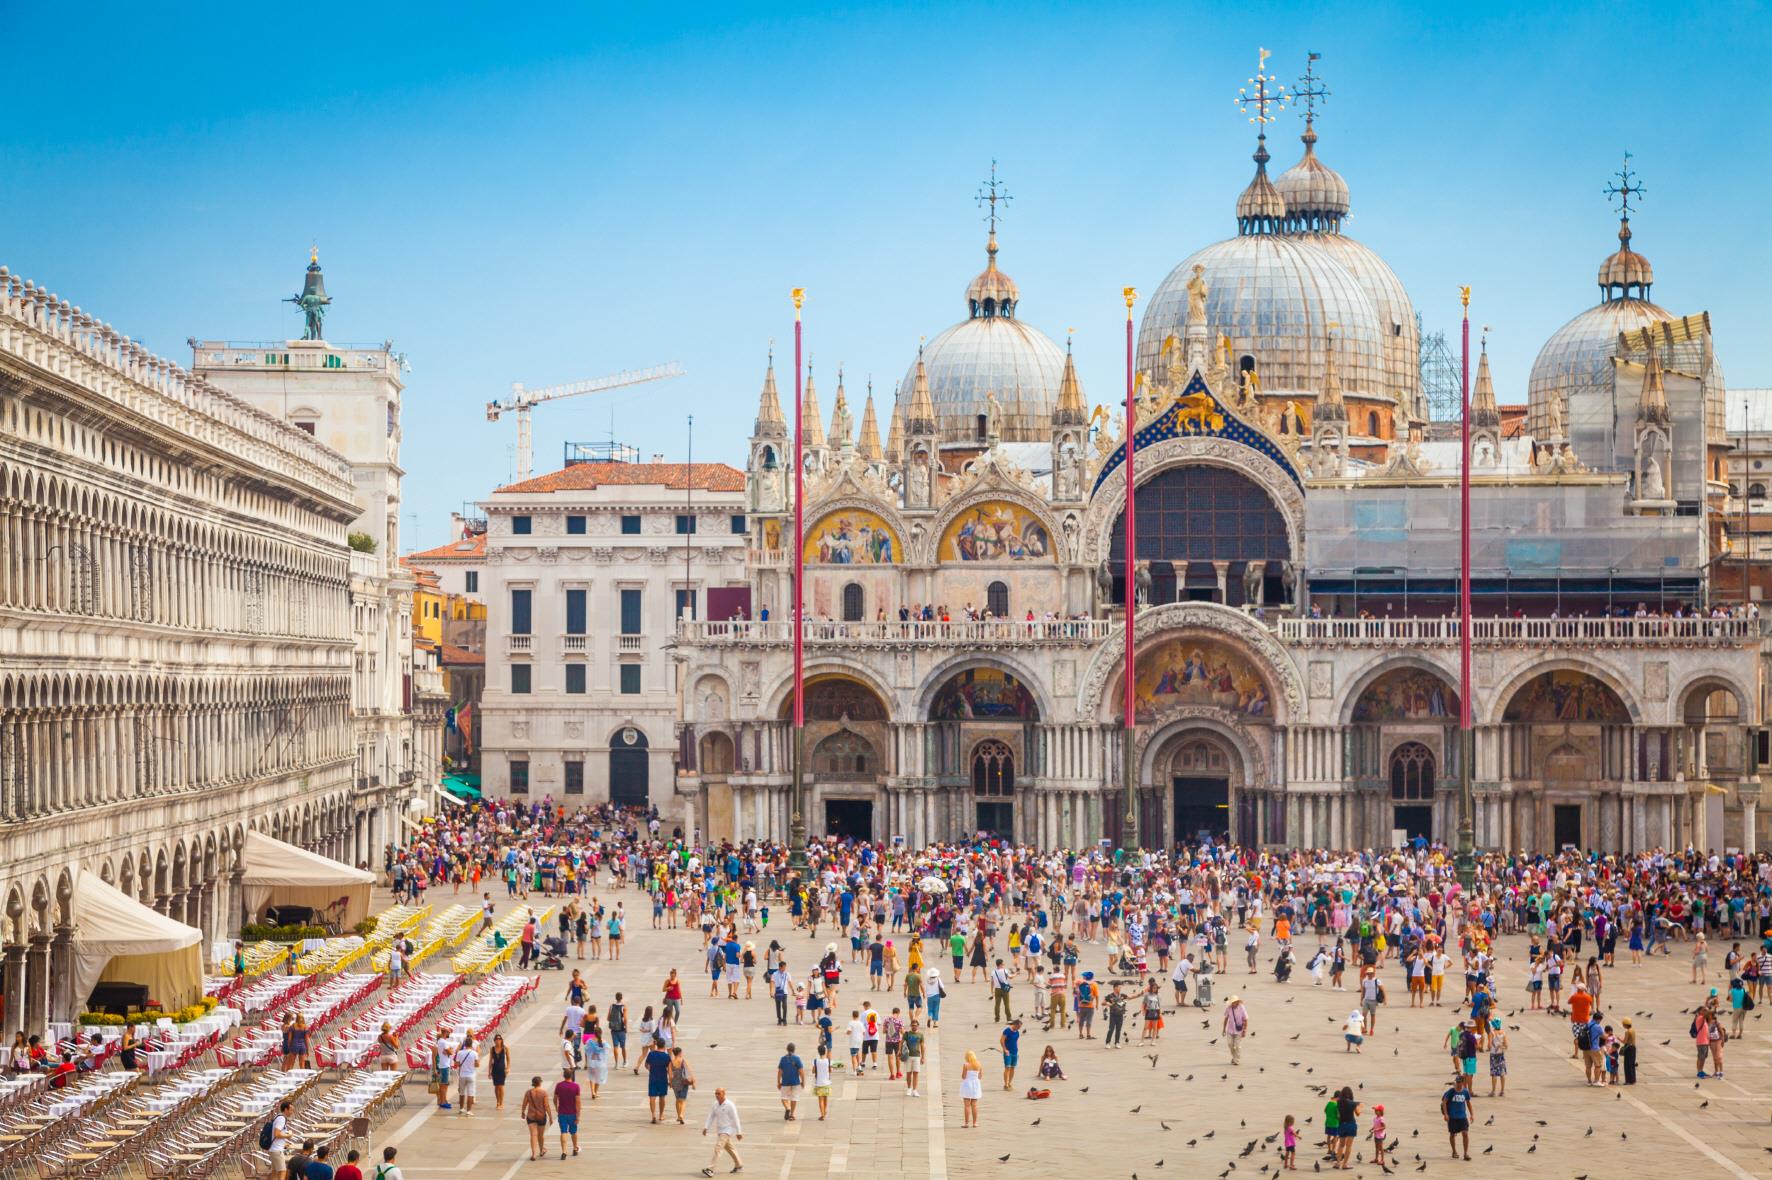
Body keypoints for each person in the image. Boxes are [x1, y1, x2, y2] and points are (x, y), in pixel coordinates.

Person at [700, 1087, 744, 1177]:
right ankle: (739, 1165)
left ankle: (710, 1169)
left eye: (718, 1093)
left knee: (718, 1148)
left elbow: (736, 1119)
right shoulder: (715, 1104)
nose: (716, 1095)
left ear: (724, 1094)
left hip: (728, 1130)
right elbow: (711, 1116)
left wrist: (739, 1132)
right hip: (720, 1130)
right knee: (730, 1148)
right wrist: (706, 1127)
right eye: (715, 1093)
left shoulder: (730, 1105)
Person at [1440, 1075, 1474, 1160]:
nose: (1458, 1083)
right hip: (1452, 1117)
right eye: (1457, 1082)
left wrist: (1472, 1114)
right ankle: (1454, 1151)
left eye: (1459, 1082)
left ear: (1463, 1082)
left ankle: (1466, 1153)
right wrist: (1446, 1114)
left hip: (1462, 1117)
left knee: (1465, 1134)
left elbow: (1468, 1103)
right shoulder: (1451, 1091)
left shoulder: (1465, 1091)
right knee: (1452, 1134)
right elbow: (1444, 1102)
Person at [520, 1076, 551, 1161]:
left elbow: (524, 1104)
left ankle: (533, 1154)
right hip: (541, 1116)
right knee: (540, 1135)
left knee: (533, 1135)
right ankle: (541, 1151)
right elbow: (546, 1106)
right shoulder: (544, 1093)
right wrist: (551, 1117)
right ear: (540, 1083)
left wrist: (522, 1112)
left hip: (531, 1116)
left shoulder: (528, 1092)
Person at [553, 1069, 582, 1159]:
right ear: (571, 1076)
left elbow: (555, 1098)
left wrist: (556, 1107)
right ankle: (574, 1148)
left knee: (563, 1132)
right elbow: (578, 1102)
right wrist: (578, 1115)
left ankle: (564, 1151)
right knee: (573, 1132)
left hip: (562, 1112)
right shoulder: (576, 1086)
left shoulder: (559, 1085)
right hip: (572, 1113)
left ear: (563, 1075)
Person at [645, 1038, 673, 1122]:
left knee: (652, 1097)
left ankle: (653, 1115)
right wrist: (670, 1081)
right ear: (664, 1045)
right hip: (663, 1078)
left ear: (657, 1044)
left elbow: (646, 1065)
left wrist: (651, 1070)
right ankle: (661, 1115)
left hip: (653, 1078)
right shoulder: (667, 1056)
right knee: (662, 1097)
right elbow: (670, 1070)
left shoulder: (651, 1054)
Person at [776, 1041, 805, 1121]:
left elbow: (780, 1071)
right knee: (794, 1098)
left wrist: (778, 1082)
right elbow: (801, 1071)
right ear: (794, 1049)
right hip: (795, 1081)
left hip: (785, 1082)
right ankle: (792, 1114)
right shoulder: (797, 1059)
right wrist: (803, 1081)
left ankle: (787, 1108)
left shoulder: (783, 1059)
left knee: (784, 1098)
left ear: (787, 1049)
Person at [669, 1046, 697, 1124]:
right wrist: (693, 1081)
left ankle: (678, 1116)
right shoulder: (683, 1061)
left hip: (675, 1082)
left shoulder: (671, 1062)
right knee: (683, 1100)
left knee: (678, 1100)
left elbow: (670, 1074)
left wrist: (671, 1083)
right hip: (683, 1082)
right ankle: (681, 1114)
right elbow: (689, 1071)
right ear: (679, 1053)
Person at [453, 1033, 479, 1115]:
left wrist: (461, 1064)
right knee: (470, 1093)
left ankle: (461, 1108)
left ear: (465, 1044)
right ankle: (469, 1110)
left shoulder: (460, 1053)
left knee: (462, 1093)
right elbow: (477, 1064)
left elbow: (456, 1064)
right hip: (471, 1075)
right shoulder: (475, 1053)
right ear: (471, 1044)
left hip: (462, 1075)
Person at [267, 1099, 293, 1176]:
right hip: (277, 1150)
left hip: (275, 1148)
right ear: (286, 1109)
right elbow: (277, 1134)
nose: (292, 1112)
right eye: (291, 1110)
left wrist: (283, 1144)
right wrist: (288, 1136)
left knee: (274, 1172)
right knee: (282, 1171)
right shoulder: (281, 1119)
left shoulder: (278, 1116)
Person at [959, 1048, 983, 1128]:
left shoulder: (966, 1065)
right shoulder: (979, 1064)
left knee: (967, 1105)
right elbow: (980, 1076)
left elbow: (963, 1076)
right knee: (974, 1105)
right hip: (975, 1085)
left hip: (967, 1085)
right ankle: (975, 1123)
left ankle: (966, 1123)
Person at [1222, 995, 1249, 1064]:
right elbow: (1226, 1018)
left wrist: (1244, 1030)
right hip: (1230, 1030)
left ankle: (1236, 1060)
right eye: (1231, 1003)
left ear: (1237, 1002)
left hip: (1239, 1030)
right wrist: (1223, 1029)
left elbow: (1246, 1019)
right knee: (1230, 1044)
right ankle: (1234, 1057)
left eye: (1233, 1002)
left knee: (1237, 1046)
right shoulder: (1229, 1008)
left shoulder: (1242, 1008)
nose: (1232, 1004)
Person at [901, 1019, 924, 1097]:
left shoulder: (920, 1035)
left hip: (917, 1055)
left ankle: (915, 1090)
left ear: (918, 1026)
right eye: (913, 1025)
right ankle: (909, 1089)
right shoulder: (907, 1034)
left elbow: (922, 1046)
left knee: (916, 1073)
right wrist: (899, 1051)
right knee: (908, 1073)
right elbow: (901, 1042)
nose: (914, 1026)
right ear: (911, 1026)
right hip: (908, 1056)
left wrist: (923, 1057)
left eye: (915, 1025)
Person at [812, 1043, 834, 1120]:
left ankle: (822, 1115)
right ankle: (825, 1111)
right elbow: (830, 1070)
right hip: (827, 1083)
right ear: (825, 1051)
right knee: (825, 1099)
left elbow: (813, 1071)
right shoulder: (828, 1060)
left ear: (818, 1052)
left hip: (819, 1083)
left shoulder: (815, 1061)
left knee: (820, 1100)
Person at [999, 1018, 1022, 1090]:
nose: (1018, 1028)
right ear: (1014, 1024)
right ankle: (1005, 1084)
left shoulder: (1017, 1032)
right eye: (1018, 1027)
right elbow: (1001, 1040)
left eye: (1019, 1027)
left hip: (1015, 1052)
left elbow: (1016, 1042)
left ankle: (1009, 1083)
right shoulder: (1007, 1030)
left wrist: (1017, 1051)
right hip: (1008, 1052)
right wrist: (1005, 1049)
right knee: (1007, 1067)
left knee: (1013, 1068)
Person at [489, 1034, 510, 1109]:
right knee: (496, 1086)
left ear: (501, 1040)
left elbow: (508, 1059)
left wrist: (508, 1068)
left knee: (501, 1086)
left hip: (502, 1070)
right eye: (496, 1039)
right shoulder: (492, 1049)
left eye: (499, 1039)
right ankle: (497, 1101)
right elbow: (490, 1060)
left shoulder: (505, 1048)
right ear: (494, 1041)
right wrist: (489, 1072)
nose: (498, 1040)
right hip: (495, 1069)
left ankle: (501, 1103)